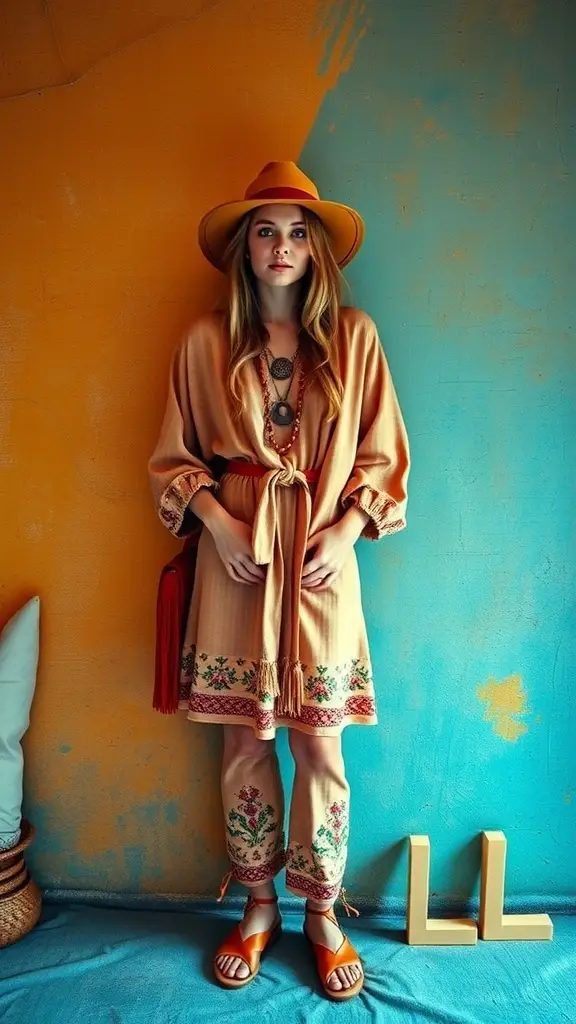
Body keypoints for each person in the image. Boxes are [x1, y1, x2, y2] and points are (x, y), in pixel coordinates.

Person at [148, 161, 410, 1000]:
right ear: (245, 249)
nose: (282, 245)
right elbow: (171, 460)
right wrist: (218, 523)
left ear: (318, 251)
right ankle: (259, 906)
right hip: (237, 562)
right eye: (265, 231)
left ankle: (323, 913)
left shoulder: (355, 340)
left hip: (324, 563)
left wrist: (349, 527)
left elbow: (384, 456)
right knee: (243, 740)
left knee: (320, 743)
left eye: (298, 232)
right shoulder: (204, 343)